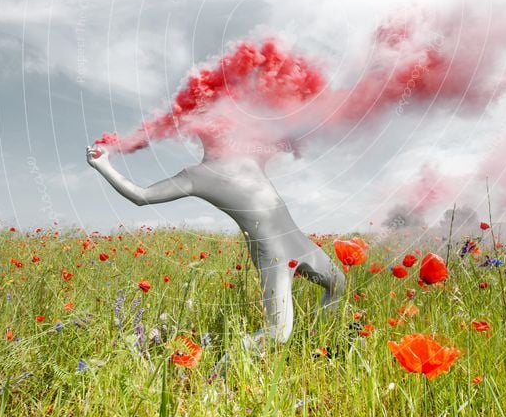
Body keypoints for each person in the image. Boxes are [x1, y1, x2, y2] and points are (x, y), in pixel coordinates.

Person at [86, 143, 345, 346]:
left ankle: (316, 340)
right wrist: (103, 164)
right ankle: (218, 376)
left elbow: (279, 135)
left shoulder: (249, 153)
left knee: (338, 283)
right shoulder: (196, 176)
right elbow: (141, 196)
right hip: (273, 253)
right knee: (278, 333)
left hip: (297, 240)